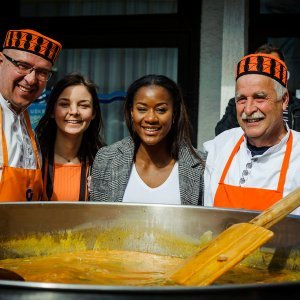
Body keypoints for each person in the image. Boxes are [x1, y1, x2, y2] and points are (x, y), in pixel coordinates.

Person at [204, 53, 300, 215]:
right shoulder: (220, 146)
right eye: (241, 99)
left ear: (284, 100)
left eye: (259, 98)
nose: (248, 109)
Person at [90, 74, 205, 205]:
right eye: (142, 109)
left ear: (174, 113)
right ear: (131, 112)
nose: (151, 118)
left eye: (161, 110)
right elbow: (98, 220)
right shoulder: (106, 159)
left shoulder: (200, 165)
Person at [0, 29, 62, 201]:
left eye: (42, 72)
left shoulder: (27, 126)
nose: (31, 79)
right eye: (23, 66)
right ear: (0, 62)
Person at [35, 73, 105, 201]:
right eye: (64, 104)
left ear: (93, 113)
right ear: (52, 111)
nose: (74, 112)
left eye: (83, 105)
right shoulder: (33, 159)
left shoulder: (103, 164)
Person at [214, 44, 293, 136]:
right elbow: (222, 133)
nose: (248, 110)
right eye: (258, 65)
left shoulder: (297, 107)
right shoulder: (236, 105)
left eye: (271, 66)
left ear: (284, 100)